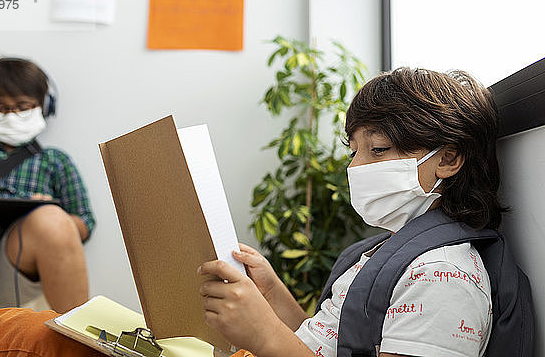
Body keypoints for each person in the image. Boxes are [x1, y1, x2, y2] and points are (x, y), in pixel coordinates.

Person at [197, 68, 512, 357]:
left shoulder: (442, 278)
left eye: (377, 149)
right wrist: (272, 294)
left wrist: (264, 335)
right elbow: (328, 345)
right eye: (353, 151)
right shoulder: (384, 251)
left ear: (447, 158)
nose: (355, 166)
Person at [0, 57, 95, 314]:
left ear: (44, 106)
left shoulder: (55, 161)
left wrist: (48, 213)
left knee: (51, 218)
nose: (11, 115)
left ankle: (77, 339)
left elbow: (84, 224)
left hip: (18, 271)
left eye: (23, 107)